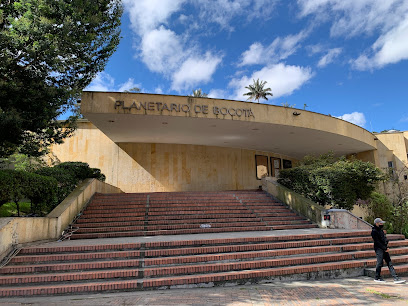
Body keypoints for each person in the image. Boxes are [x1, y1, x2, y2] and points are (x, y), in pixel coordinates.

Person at [371, 217, 406, 283]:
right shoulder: (374, 231)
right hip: (379, 249)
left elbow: (384, 239)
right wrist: (384, 248)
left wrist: (386, 244)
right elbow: (377, 242)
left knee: (389, 263)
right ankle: (377, 277)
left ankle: (395, 277)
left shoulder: (381, 230)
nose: (382, 224)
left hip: (384, 248)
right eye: (380, 223)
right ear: (377, 223)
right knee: (380, 263)